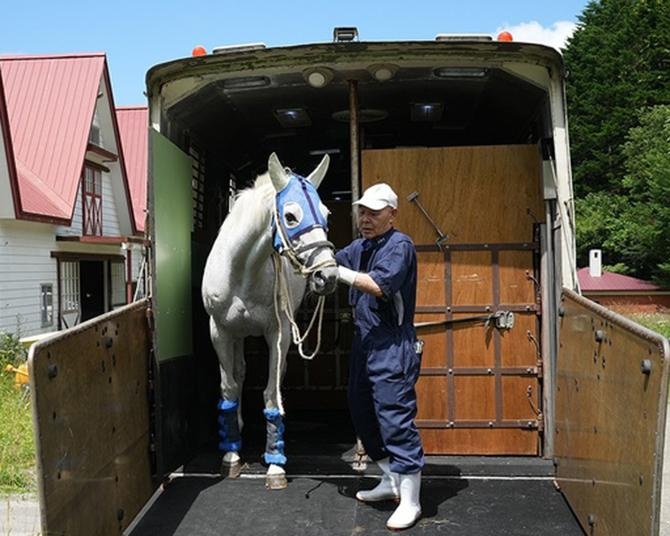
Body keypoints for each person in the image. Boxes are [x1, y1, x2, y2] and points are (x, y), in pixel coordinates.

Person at [336, 182, 424, 530]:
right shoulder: (361, 246)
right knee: (361, 409)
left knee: (395, 416)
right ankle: (389, 479)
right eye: (362, 211)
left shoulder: (400, 246)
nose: (365, 218)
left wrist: (337, 273)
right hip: (364, 342)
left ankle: (412, 500)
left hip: (392, 343)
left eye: (374, 212)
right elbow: (330, 259)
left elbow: (378, 285)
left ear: (392, 214)